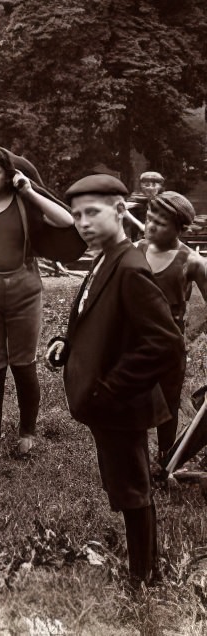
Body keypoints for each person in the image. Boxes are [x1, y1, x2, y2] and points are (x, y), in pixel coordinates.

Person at [46, 175, 184, 587]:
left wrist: (111, 390)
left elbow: (164, 343)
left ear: (121, 211)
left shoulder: (129, 266)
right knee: (124, 485)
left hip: (121, 405)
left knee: (133, 491)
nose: (83, 223)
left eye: (93, 213)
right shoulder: (105, 257)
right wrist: (66, 343)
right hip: (105, 405)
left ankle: (144, 575)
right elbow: (93, 315)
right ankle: (143, 567)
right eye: (76, 216)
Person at [0, 145, 84, 455]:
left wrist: (29, 190)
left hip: (23, 288)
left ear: (8, 175)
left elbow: (65, 222)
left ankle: (27, 433)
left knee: (23, 363)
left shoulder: (24, 202)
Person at [135, 191, 207, 466]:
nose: (150, 226)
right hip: (133, 341)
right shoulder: (134, 251)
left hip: (169, 345)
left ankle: (166, 458)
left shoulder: (191, 261)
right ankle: (136, 456)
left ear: (180, 228)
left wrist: (190, 335)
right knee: (134, 400)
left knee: (167, 402)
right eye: (148, 218)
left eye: (161, 222)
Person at [125, 170, 164, 239]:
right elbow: (132, 225)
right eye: (146, 185)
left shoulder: (165, 201)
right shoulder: (136, 200)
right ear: (141, 186)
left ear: (160, 186)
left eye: (154, 184)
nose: (150, 187)